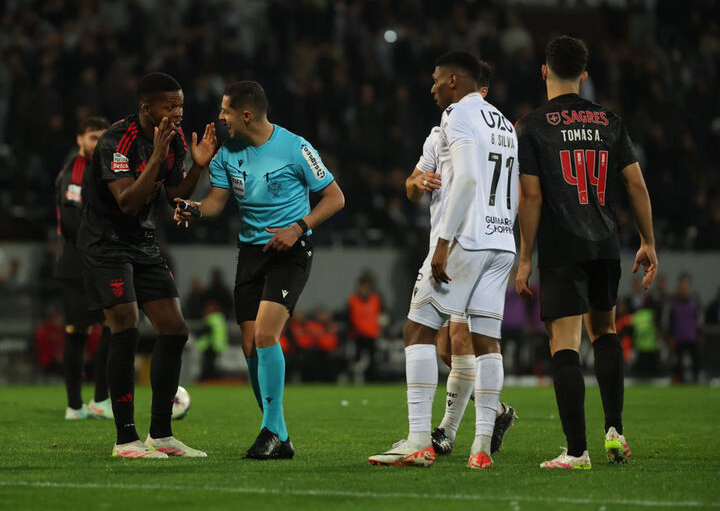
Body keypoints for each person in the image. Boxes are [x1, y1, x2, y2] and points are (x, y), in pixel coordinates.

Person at [175, 80, 345, 460]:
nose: (220, 118)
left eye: (225, 111)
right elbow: (217, 203)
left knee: (267, 336)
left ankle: (270, 430)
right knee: (250, 345)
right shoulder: (225, 153)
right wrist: (195, 206)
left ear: (245, 114)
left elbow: (336, 197)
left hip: (290, 250)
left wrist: (298, 226)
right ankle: (279, 434)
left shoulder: (296, 147)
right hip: (251, 253)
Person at [369, 50, 518, 470]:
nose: (432, 86)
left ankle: (419, 441)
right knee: (488, 342)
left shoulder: (457, 115)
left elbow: (469, 177)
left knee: (417, 331)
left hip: (464, 241)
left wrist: (443, 243)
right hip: (501, 242)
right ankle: (481, 447)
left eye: (436, 79)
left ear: (454, 80)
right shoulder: (504, 123)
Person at [515, 36, 658, 469]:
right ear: (584, 75)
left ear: (544, 70)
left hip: (563, 248)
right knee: (605, 332)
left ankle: (576, 450)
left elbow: (532, 196)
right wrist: (648, 241)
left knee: (565, 344)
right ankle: (614, 431)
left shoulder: (534, 126)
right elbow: (636, 184)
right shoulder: (609, 121)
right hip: (605, 244)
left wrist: (525, 257)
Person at [77, 72, 217, 459]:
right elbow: (127, 202)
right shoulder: (115, 142)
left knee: (174, 329)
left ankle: (162, 434)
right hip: (106, 243)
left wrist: (198, 167)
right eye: (169, 105)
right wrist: (156, 156)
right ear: (146, 108)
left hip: (141, 241)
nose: (177, 112)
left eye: (181, 105)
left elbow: (173, 195)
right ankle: (125, 440)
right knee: (126, 327)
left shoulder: (171, 141)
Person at [54, 116, 112, 420]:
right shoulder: (76, 171)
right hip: (78, 265)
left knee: (112, 326)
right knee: (79, 332)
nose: (97, 143)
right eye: (92, 137)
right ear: (79, 140)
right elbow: (72, 221)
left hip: (95, 261)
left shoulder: (98, 169)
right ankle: (78, 405)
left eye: (102, 137)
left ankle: (95, 401)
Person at [668, 274, 700, 383]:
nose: (683, 287)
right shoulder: (673, 302)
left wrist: (700, 334)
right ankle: (678, 382)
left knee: (696, 361)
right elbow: (670, 320)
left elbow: (698, 319)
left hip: (692, 337)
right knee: (678, 364)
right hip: (679, 339)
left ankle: (696, 380)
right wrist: (671, 337)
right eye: (682, 284)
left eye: (686, 284)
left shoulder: (694, 301)